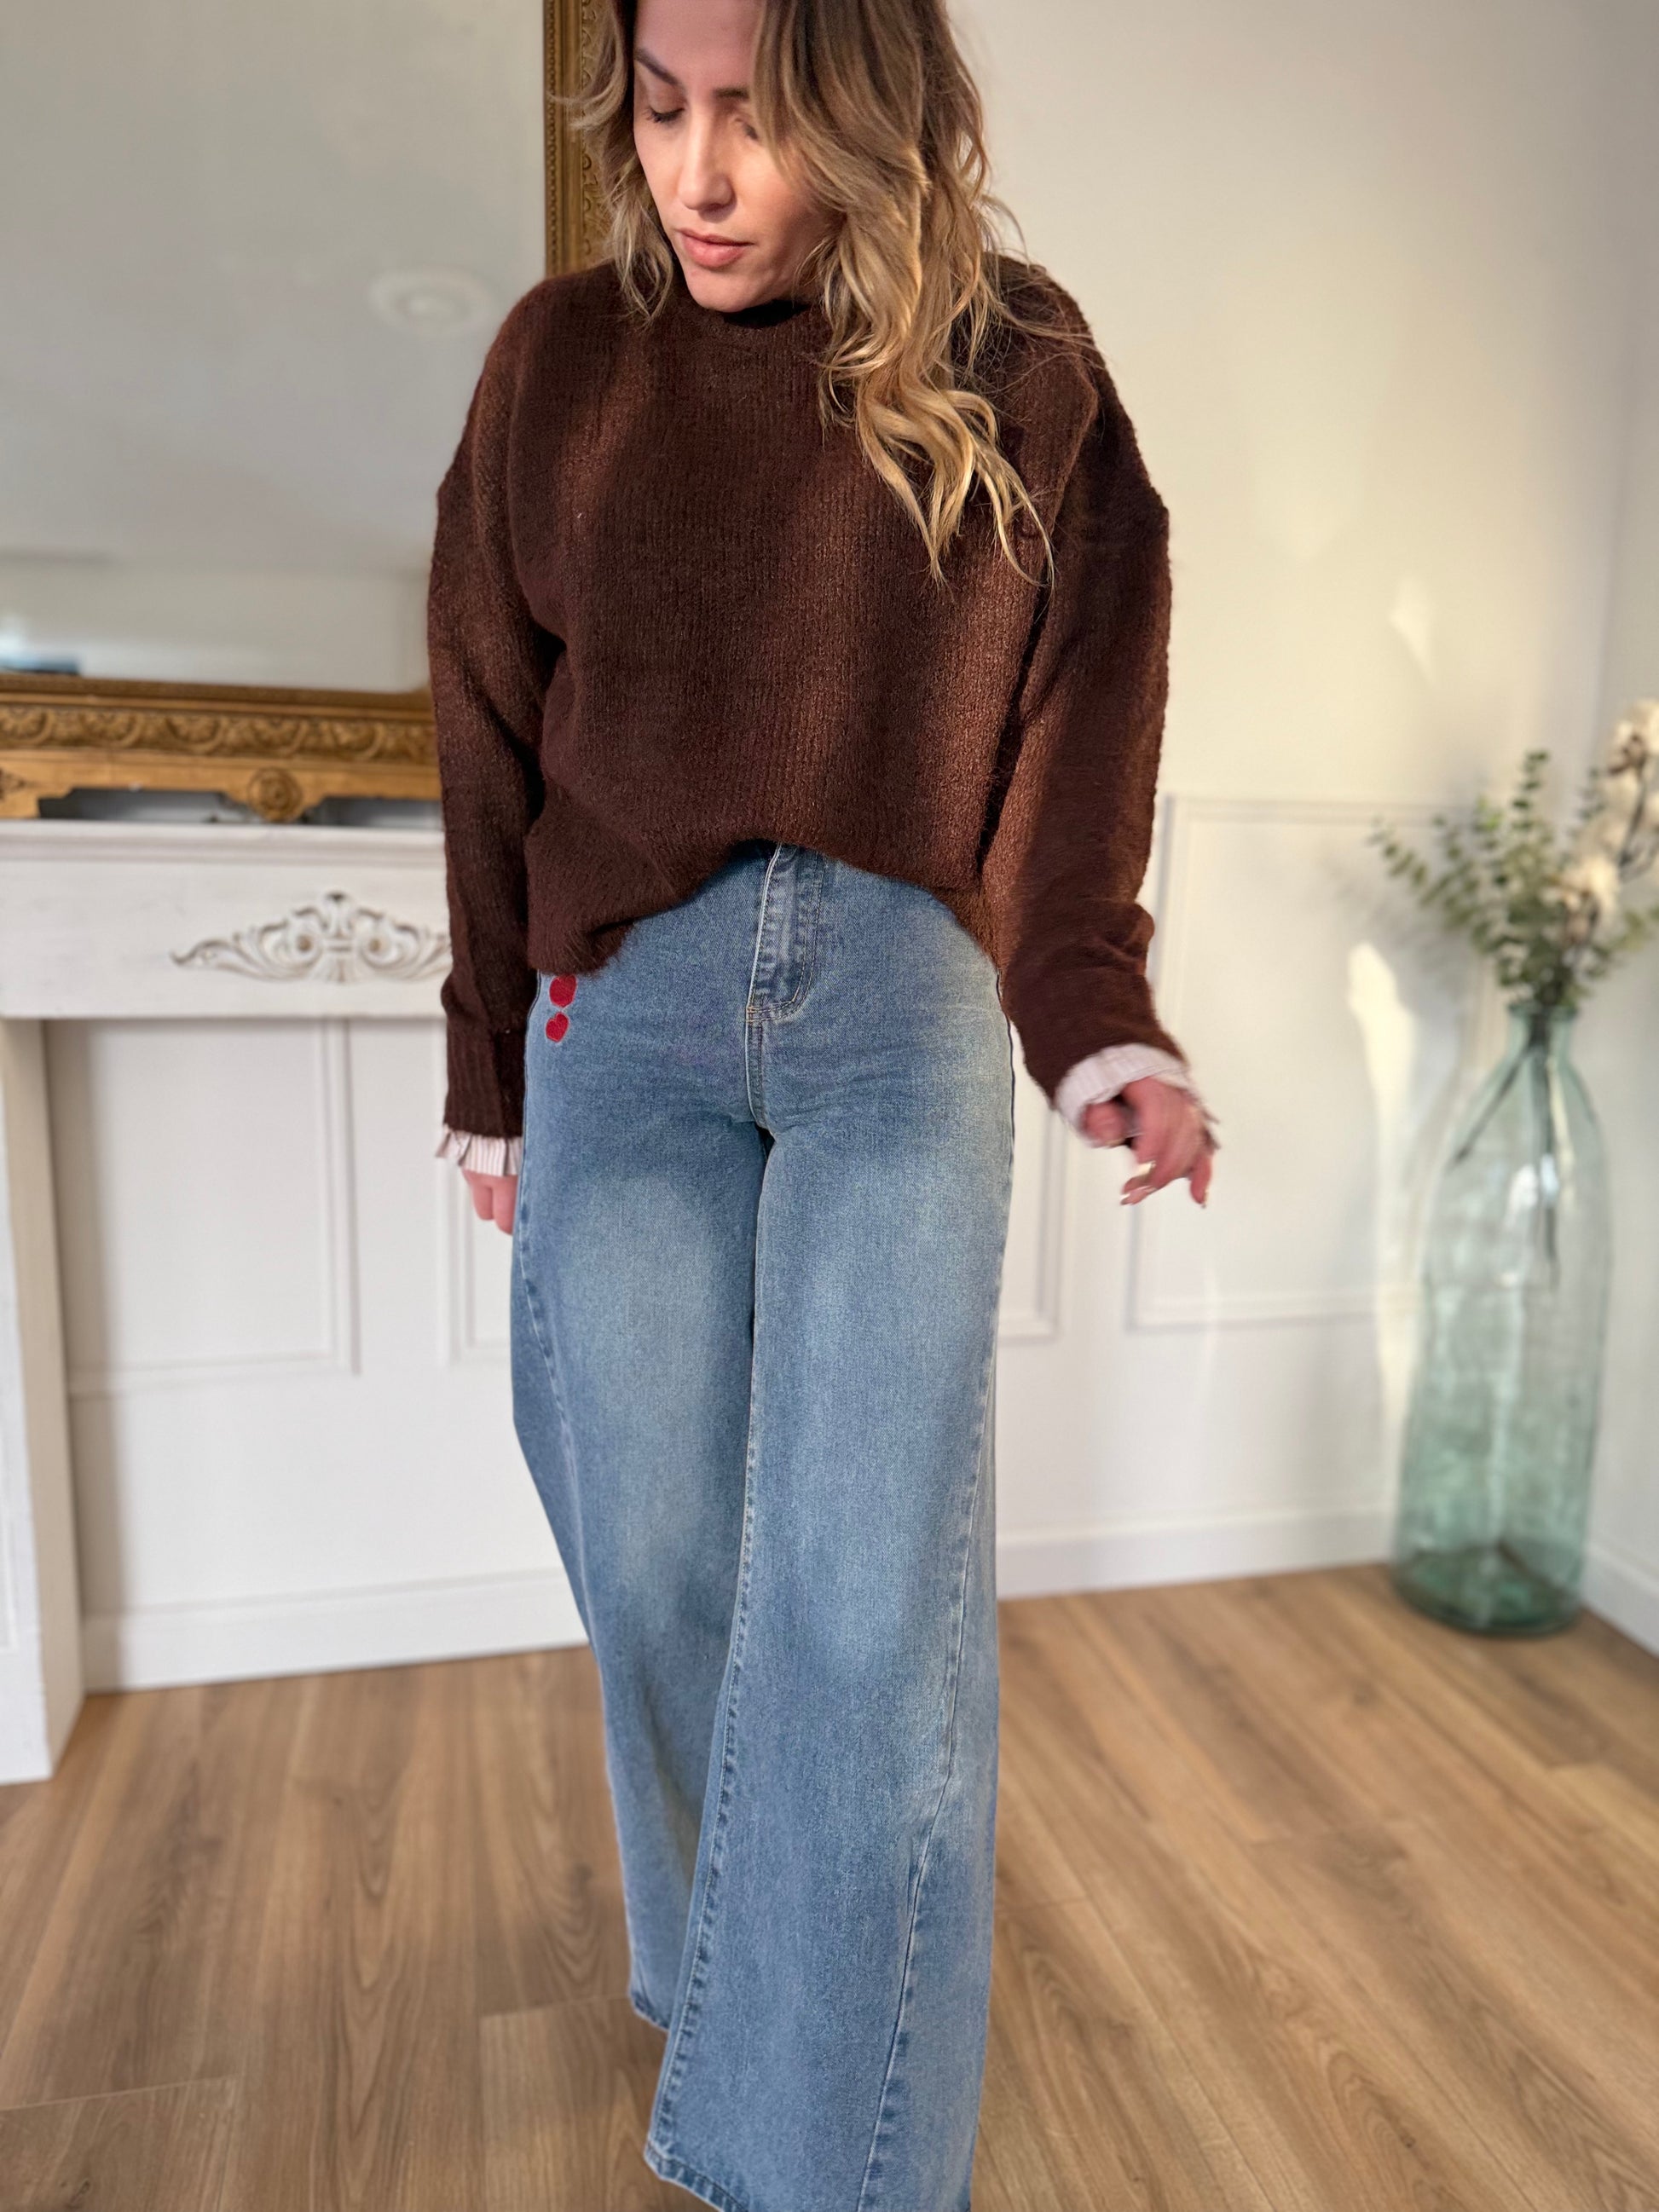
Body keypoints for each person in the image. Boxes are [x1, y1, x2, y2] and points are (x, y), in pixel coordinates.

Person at [428, 1, 1218, 2203]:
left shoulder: (1019, 365)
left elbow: (1083, 726)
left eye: (758, 121)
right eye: (662, 113)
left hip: (902, 996)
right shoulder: (560, 370)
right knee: (657, 1549)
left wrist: (1099, 1016)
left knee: (865, 1596)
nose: (699, 176)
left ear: (868, 115)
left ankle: (833, 2160)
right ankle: (740, 1989)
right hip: (625, 1005)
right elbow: (484, 719)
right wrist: (488, 1064)